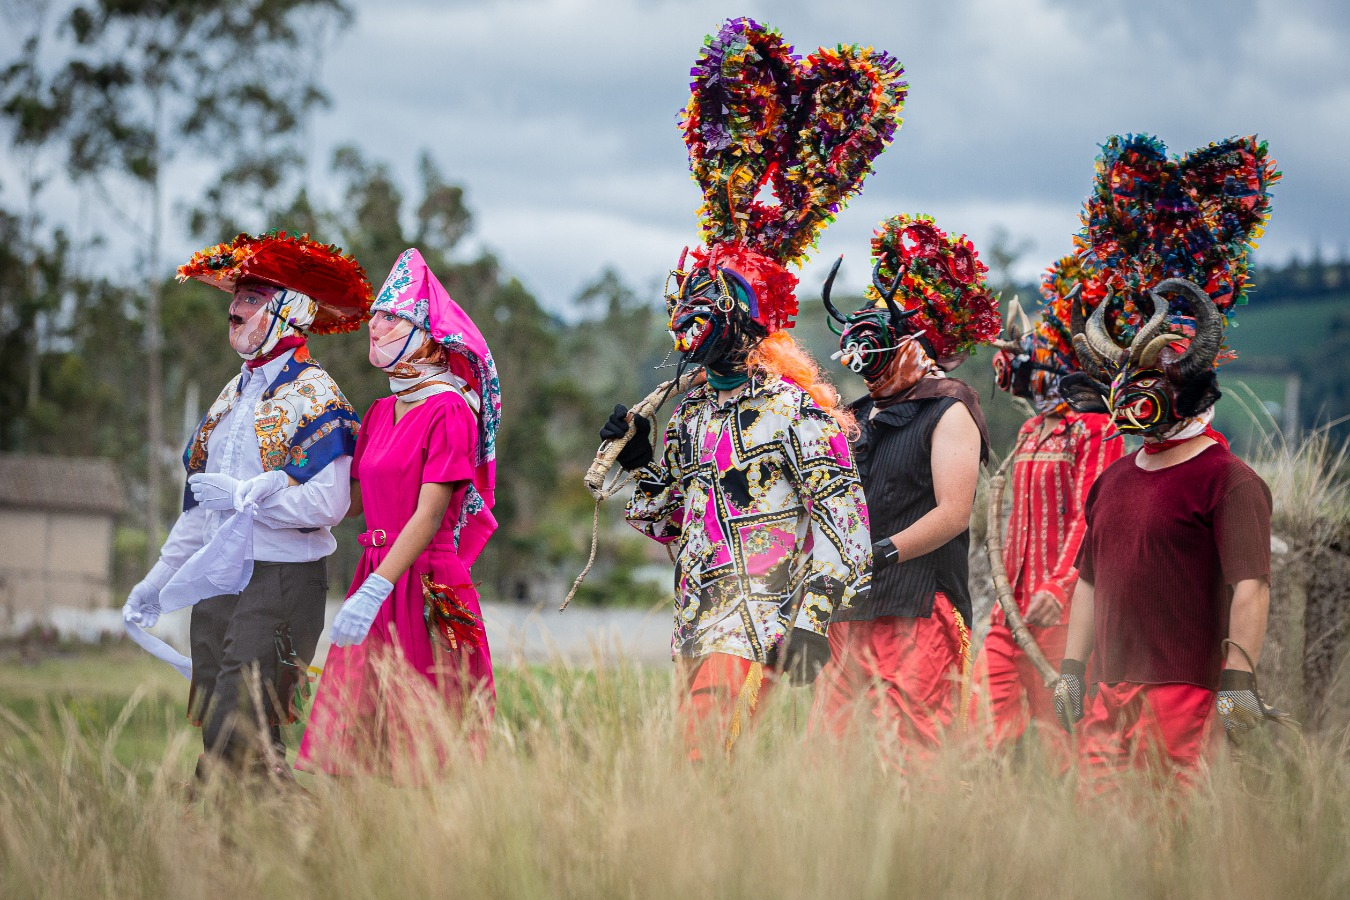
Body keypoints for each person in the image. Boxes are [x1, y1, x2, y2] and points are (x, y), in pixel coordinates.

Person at [603, 17, 902, 759]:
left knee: (705, 766)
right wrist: (641, 464)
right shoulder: (691, 416)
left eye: (714, 295)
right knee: (706, 778)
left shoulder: (800, 412)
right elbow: (676, 523)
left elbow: (845, 524)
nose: (693, 311)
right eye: (691, 293)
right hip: (696, 619)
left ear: (752, 316)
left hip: (763, 625)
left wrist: (811, 618)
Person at [1051, 134, 1280, 787]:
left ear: (1185, 390)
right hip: (1106, 694)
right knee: (1102, 843)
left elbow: (1251, 587)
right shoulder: (1115, 477)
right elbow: (1090, 581)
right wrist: (1072, 670)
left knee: (1167, 845)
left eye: (1148, 384)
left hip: (1185, 694)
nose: (1131, 400)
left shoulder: (1230, 482)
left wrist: (1238, 680)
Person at [122, 231, 371, 780]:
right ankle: (262, 846)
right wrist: (156, 582)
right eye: (236, 297)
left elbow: (330, 503)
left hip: (281, 577)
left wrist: (249, 501)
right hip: (219, 573)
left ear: (291, 310)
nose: (234, 309)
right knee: (226, 722)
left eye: (252, 298)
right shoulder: (230, 397)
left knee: (239, 723)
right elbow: (198, 508)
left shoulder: (316, 395)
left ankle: (216, 830)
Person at [298, 248, 500, 779]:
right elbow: (354, 503)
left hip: (425, 583)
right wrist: (277, 491)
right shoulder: (383, 410)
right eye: (377, 316)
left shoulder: (450, 409)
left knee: (426, 749)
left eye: (392, 317)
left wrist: (376, 589)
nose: (377, 326)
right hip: (378, 574)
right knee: (358, 746)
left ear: (427, 333)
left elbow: (429, 516)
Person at [811, 214, 999, 757]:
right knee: (831, 756)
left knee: (917, 756)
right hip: (852, 609)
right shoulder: (860, 412)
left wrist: (882, 553)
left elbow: (954, 513)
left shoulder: (949, 406)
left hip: (921, 607)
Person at [971, 259, 1122, 764]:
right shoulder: (1030, 432)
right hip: (1010, 611)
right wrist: (1008, 598)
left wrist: (1059, 590)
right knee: (987, 729)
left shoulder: (1096, 428)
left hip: (1061, 614)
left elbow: (1092, 516)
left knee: (1061, 741)